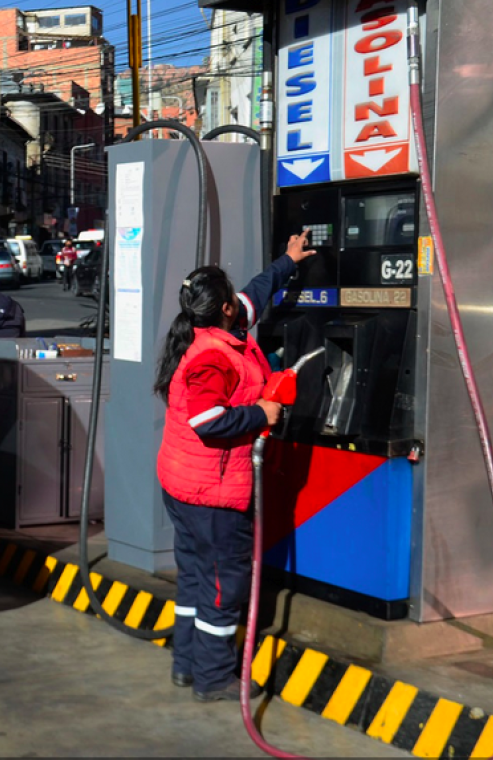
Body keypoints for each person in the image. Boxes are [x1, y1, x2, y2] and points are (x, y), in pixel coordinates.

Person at [154, 230, 314, 702]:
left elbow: (256, 291)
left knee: (196, 575)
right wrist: (261, 414)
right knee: (226, 584)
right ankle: (214, 678)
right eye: (232, 300)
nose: (239, 304)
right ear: (223, 309)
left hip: (183, 485)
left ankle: (186, 666)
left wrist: (287, 261)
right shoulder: (212, 357)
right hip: (212, 492)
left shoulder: (209, 328)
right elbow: (207, 421)